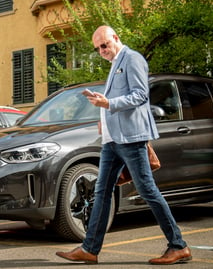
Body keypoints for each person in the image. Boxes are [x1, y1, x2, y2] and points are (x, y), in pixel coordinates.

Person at [55, 25, 192, 265]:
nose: (101, 51)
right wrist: (104, 119)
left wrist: (108, 104)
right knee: (102, 191)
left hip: (131, 139)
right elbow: (117, 101)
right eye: (97, 48)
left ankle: (178, 245)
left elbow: (140, 95)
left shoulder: (132, 59)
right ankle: (90, 249)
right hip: (112, 140)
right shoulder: (115, 64)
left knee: (147, 190)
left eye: (104, 45)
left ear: (116, 38)